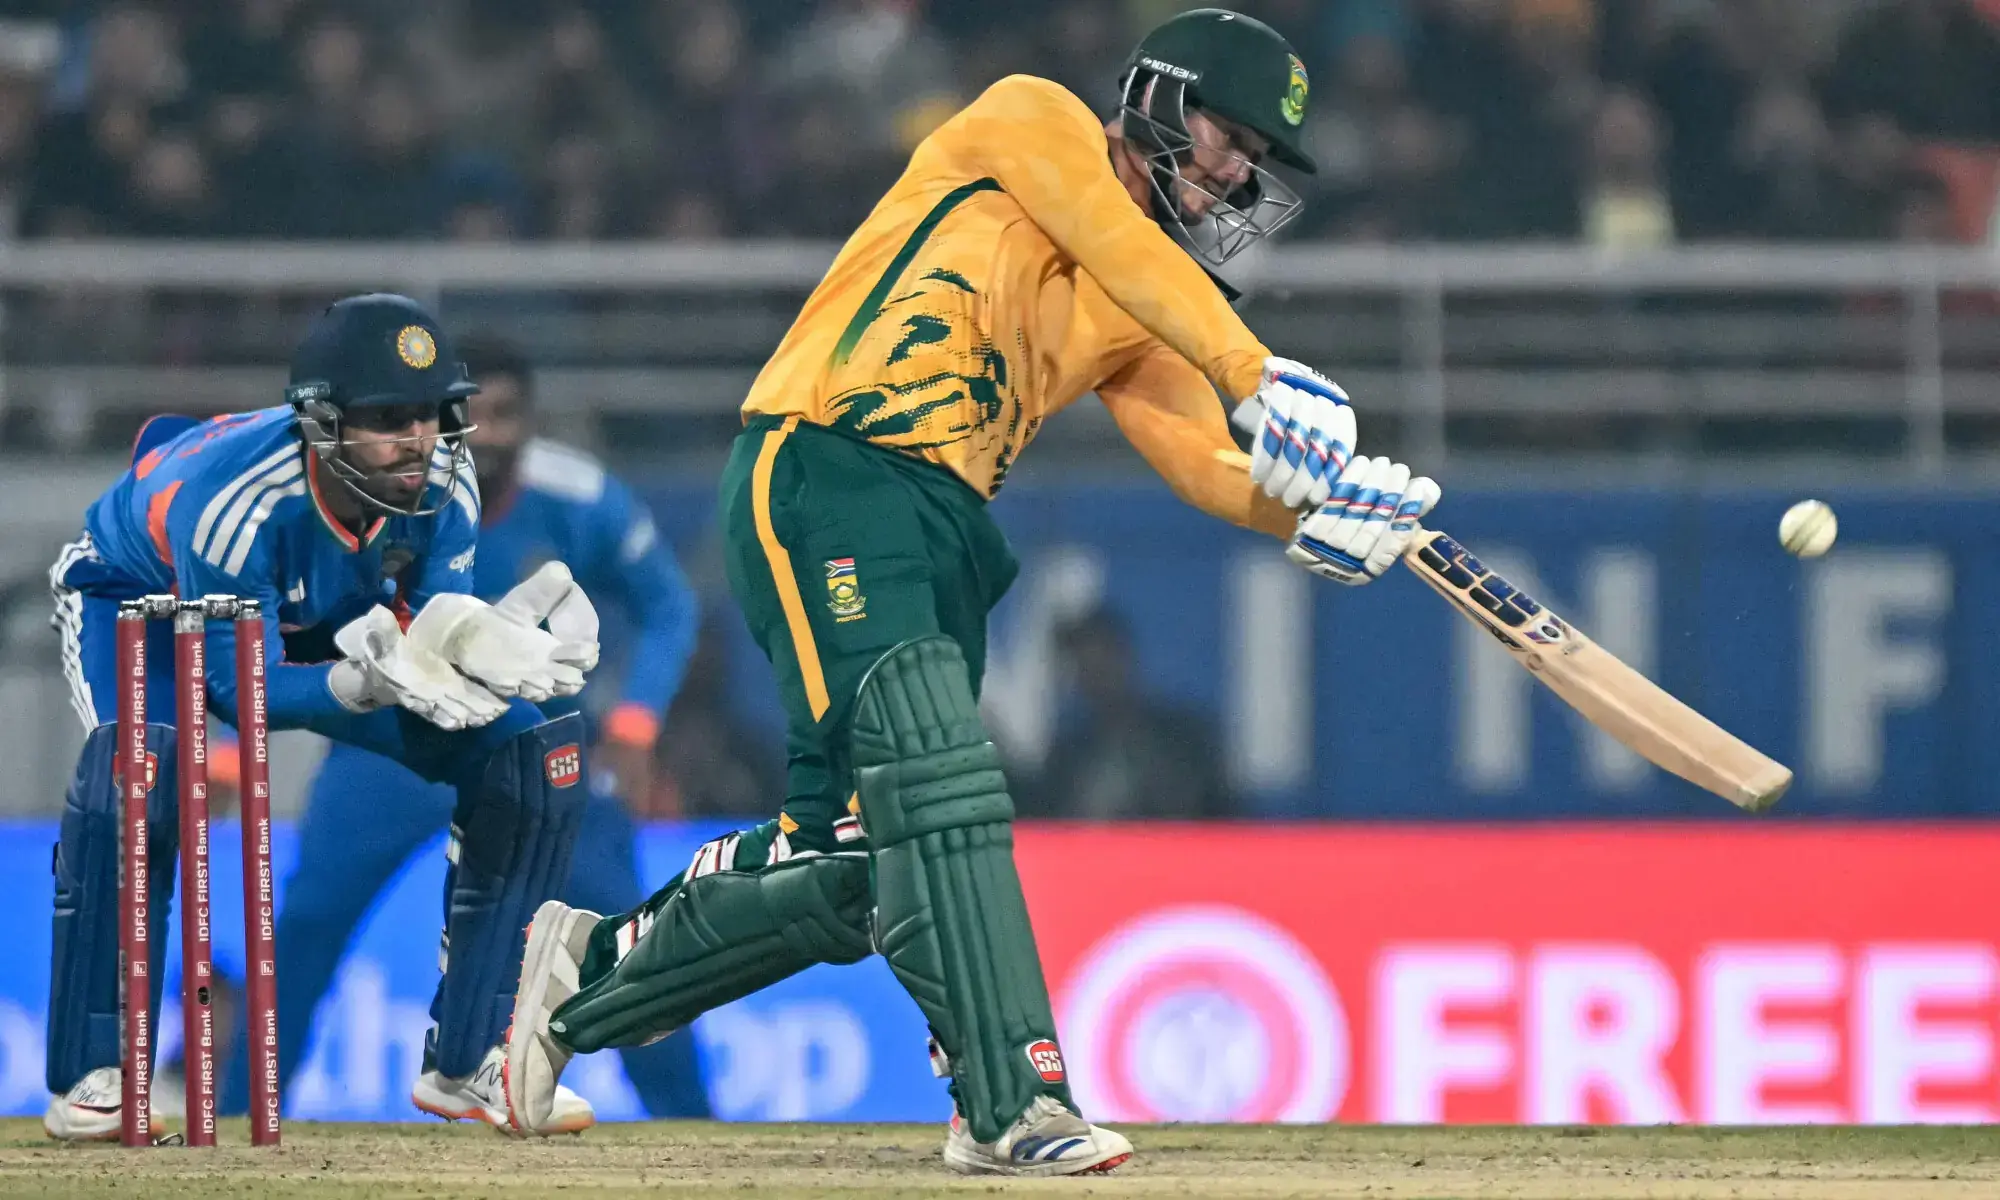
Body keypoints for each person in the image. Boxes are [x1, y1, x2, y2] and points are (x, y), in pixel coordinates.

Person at [504, 7, 1441, 1176]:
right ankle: (1012, 1103)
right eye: (1227, 135)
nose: (1234, 171)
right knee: (943, 786)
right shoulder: (1026, 117)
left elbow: (1204, 462)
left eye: (1255, 159)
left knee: (856, 865)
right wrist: (1251, 364)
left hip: (943, 529)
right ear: (1157, 95)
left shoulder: (1146, 295)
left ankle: (570, 987)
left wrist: (1317, 505)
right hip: (831, 468)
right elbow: (1111, 234)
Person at [44, 293, 601, 1140]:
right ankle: (93, 1073)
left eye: (429, 415)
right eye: (387, 419)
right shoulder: (237, 503)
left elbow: (431, 630)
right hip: (143, 604)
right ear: (322, 424)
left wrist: (471, 643)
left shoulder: (446, 479)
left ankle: (469, 1061)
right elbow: (242, 694)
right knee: (144, 780)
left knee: (522, 753)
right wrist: (366, 682)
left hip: (317, 617)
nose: (417, 442)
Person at [216, 334, 711, 1126]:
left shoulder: (578, 496)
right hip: (394, 745)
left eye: (505, 415)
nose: (487, 435)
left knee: (629, 942)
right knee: (305, 927)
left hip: (534, 747)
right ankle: (241, 1119)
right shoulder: (374, 484)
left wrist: (635, 717)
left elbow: (669, 605)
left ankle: (695, 1135)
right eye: (467, 418)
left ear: (532, 420)